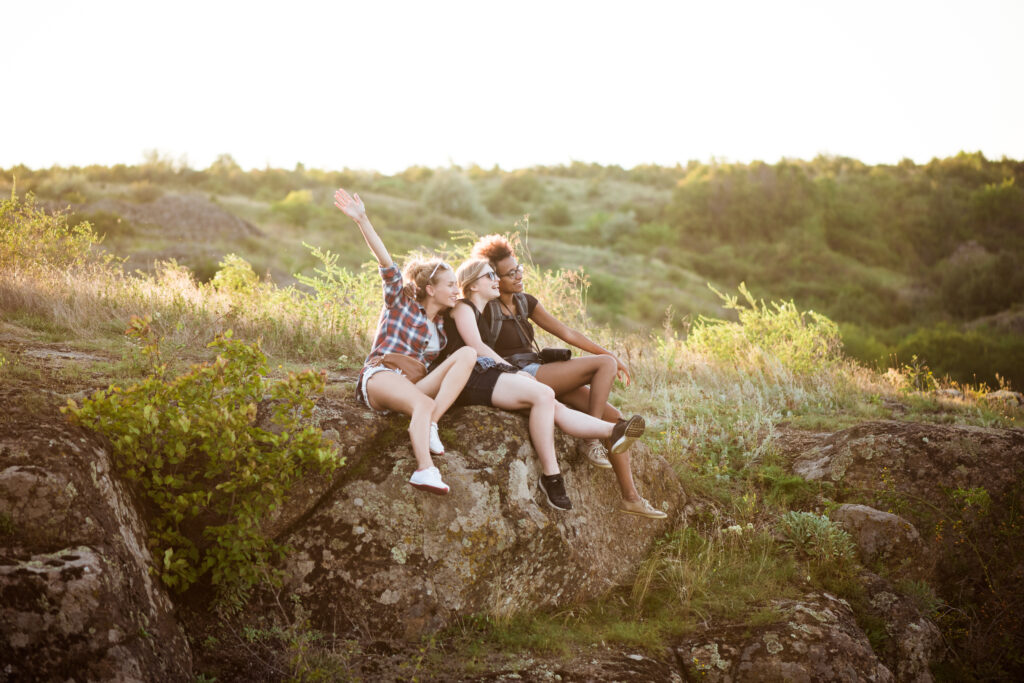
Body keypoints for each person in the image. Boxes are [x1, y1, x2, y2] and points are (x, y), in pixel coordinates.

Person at [455, 252, 667, 520]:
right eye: (509, 273)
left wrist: (614, 355)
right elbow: (467, 329)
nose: (518, 275)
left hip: (542, 370)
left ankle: (631, 498)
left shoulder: (524, 302)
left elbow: (568, 333)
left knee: (615, 417)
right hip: (518, 375)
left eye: (518, 269)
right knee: (604, 365)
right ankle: (590, 440)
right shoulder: (484, 306)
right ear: (494, 278)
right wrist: (609, 359)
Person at [334, 188, 476, 496]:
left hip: (411, 385)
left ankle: (431, 423)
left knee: (467, 354)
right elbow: (387, 264)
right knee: (422, 403)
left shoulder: (443, 323)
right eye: (450, 285)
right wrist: (362, 220)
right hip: (382, 376)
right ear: (430, 288)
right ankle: (425, 470)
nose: (456, 290)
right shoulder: (400, 302)